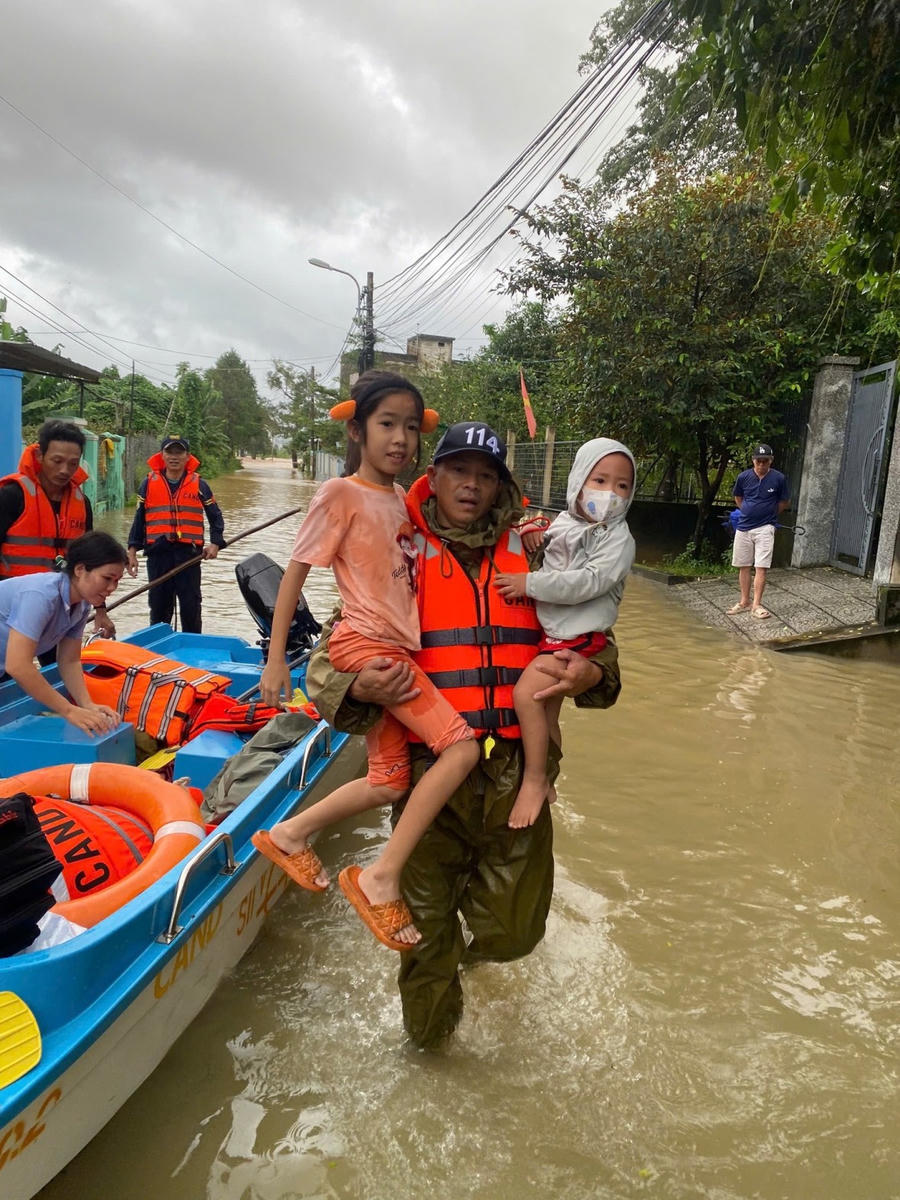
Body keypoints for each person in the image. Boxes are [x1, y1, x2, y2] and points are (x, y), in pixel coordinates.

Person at [304, 419, 622, 1048]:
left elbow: (600, 648)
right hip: (431, 773)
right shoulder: (398, 551)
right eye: (458, 471)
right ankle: (429, 1049)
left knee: (516, 929)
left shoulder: (538, 552)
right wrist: (357, 686)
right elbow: (328, 659)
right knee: (423, 939)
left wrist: (592, 672)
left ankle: (472, 959)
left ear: (501, 485)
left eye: (485, 475)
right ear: (435, 476)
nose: (470, 486)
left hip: (516, 774)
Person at [254, 371, 480, 950]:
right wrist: (276, 660)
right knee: (460, 748)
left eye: (410, 427)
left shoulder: (403, 500)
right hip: (367, 645)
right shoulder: (340, 494)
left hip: (395, 648)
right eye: (386, 424)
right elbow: (295, 577)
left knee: (388, 780)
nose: (400, 438)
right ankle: (381, 877)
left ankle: (289, 832)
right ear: (356, 430)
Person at [494, 437, 636, 827]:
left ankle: (535, 780)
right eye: (600, 481)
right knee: (548, 715)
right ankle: (549, 779)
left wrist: (528, 584)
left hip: (578, 639)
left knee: (526, 695)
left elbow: (588, 582)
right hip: (555, 634)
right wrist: (528, 536)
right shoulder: (565, 522)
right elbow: (548, 550)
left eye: (622, 485)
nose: (610, 494)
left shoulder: (619, 540)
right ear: (578, 481)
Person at [0, 419, 116, 642]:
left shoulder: (82, 504)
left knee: (62, 668)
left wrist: (100, 610)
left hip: (59, 608)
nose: (65, 470)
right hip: (11, 610)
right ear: (40, 457)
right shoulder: (11, 497)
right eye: (57, 461)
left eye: (73, 463)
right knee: (9, 669)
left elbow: (93, 563)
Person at [0, 530, 127, 734]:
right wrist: (68, 710)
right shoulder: (41, 595)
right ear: (79, 569)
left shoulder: (81, 605)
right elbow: (18, 666)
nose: (112, 587)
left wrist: (86, 704)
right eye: (107, 578)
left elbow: (69, 660)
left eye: (117, 580)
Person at [127, 435, 225, 633]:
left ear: (187, 456)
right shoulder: (148, 484)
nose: (174, 457)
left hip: (188, 555)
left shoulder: (199, 484)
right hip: (158, 554)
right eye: (169, 452)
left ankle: (193, 648)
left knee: (191, 606)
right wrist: (131, 550)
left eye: (179, 452)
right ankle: (158, 649)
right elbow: (139, 520)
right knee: (159, 608)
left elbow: (215, 516)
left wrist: (215, 543)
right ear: (161, 455)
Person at [727, 443, 790, 620]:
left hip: (765, 527)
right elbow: (738, 498)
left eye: (765, 461)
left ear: (771, 461)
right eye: (758, 461)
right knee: (743, 565)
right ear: (753, 461)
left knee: (761, 567)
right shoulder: (743, 477)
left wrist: (768, 515)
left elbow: (783, 502)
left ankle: (756, 604)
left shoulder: (778, 478)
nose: (761, 465)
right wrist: (748, 511)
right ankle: (744, 601)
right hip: (744, 527)